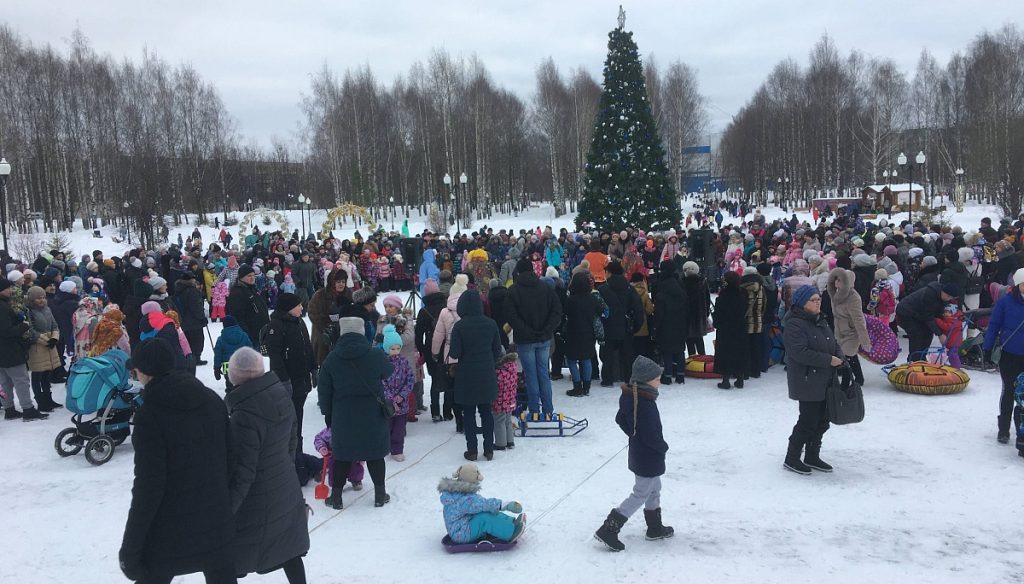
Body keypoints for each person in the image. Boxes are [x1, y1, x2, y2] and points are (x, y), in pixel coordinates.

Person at [119, 338, 236, 583]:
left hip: (169, 531)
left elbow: (148, 488)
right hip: (215, 523)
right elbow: (230, 461)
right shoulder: (212, 400)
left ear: (144, 372)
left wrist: (130, 548)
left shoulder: (149, 416)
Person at [224, 348, 309, 584]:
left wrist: (226, 510)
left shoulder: (244, 415)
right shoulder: (280, 393)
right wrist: (285, 468)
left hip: (257, 498)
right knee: (288, 547)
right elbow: (293, 440)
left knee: (231, 557)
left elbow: (244, 470)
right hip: (285, 485)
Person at [594, 356, 673, 552]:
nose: (659, 382)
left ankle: (654, 528)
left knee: (654, 489)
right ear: (646, 380)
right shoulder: (643, 402)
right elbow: (649, 434)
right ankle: (609, 529)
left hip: (643, 454)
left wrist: (633, 432)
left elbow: (621, 418)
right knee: (641, 493)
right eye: (656, 378)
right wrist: (661, 446)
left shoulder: (635, 396)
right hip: (647, 455)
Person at [318, 316, 393, 509]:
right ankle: (380, 494)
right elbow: (388, 371)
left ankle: (336, 497)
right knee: (375, 454)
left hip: (344, 416)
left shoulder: (332, 359)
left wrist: (328, 413)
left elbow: (324, 390)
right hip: (372, 414)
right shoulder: (374, 354)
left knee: (343, 455)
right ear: (361, 332)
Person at [781, 285, 845, 475]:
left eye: (819, 299)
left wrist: (839, 357)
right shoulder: (794, 324)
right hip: (807, 379)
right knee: (808, 420)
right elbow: (799, 352)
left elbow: (833, 343)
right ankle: (791, 458)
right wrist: (828, 360)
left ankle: (812, 455)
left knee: (824, 420)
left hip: (826, 378)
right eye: (813, 300)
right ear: (802, 303)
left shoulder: (820, 319)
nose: (818, 303)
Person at [449, 289, 504, 461]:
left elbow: (455, 353)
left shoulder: (459, 326)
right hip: (486, 373)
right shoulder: (491, 324)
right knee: (486, 412)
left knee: (469, 414)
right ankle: (489, 448)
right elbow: (497, 351)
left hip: (466, 375)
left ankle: (472, 450)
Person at [506, 258, 562, 419]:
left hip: (525, 339)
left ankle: (535, 411)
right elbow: (557, 311)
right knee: (543, 373)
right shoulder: (546, 287)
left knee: (531, 375)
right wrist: (547, 329)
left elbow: (511, 316)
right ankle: (548, 409)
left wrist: (527, 330)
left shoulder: (513, 290)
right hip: (543, 338)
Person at [264, 293, 315, 446]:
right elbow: (275, 355)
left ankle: (297, 452)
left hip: (302, 379)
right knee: (289, 420)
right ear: (288, 308)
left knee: (298, 416)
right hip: (288, 381)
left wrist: (313, 368)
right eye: (298, 305)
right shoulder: (276, 325)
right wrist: (284, 380)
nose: (301, 307)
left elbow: (308, 347)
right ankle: (291, 453)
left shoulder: (299, 322)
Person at [983, 268, 1024, 449]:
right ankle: (1004, 428)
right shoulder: (1006, 302)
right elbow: (994, 325)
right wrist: (987, 347)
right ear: (1018, 284)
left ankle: (1021, 433)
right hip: (1010, 354)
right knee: (1008, 391)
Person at [438, 463, 525, 544]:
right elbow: (483, 504)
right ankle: (509, 532)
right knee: (484, 518)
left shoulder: (459, 492)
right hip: (462, 533)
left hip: (464, 525)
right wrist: (504, 505)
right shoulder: (462, 499)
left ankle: (510, 522)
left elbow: (479, 504)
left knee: (486, 511)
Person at [0, 278, 48, 420]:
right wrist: (24, 325)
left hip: (3, 352)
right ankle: (28, 410)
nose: (10, 290)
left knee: (5, 381)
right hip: (10, 350)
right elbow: (6, 331)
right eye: (7, 288)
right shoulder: (2, 306)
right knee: (21, 380)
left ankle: (9, 409)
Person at [598, 261, 644, 387]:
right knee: (628, 357)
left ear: (609, 273)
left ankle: (607, 379)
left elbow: (596, 310)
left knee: (607, 356)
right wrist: (635, 327)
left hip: (607, 328)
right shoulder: (630, 289)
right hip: (626, 327)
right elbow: (639, 310)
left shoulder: (602, 289)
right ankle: (628, 379)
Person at [827, 268, 871, 385]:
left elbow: (858, 320)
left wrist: (864, 340)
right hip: (839, 331)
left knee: (846, 356)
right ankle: (859, 378)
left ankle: (845, 383)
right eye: (836, 279)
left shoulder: (853, 298)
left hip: (852, 332)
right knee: (849, 356)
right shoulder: (835, 295)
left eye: (840, 280)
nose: (836, 282)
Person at [896, 281, 960, 361]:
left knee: (928, 334)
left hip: (919, 315)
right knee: (917, 334)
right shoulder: (929, 294)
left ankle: (922, 358)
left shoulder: (943, 299)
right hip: (905, 313)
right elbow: (928, 317)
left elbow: (937, 314)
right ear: (943, 291)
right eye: (948, 296)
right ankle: (914, 360)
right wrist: (940, 334)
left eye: (951, 298)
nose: (948, 299)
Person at [25, 285, 63, 411]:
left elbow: (54, 325)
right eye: (38, 298)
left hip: (49, 345)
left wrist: (54, 338)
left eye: (43, 297)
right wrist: (46, 340)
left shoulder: (47, 309)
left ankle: (48, 399)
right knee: (38, 375)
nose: (41, 300)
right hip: (37, 346)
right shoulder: (29, 311)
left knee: (47, 373)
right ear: (32, 299)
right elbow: (30, 330)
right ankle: (40, 401)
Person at [380, 325, 415, 461]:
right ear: (386, 348)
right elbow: (380, 382)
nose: (395, 351)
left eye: (397, 348)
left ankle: (397, 450)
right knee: (386, 428)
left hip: (402, 404)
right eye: (392, 348)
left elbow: (410, 379)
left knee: (399, 430)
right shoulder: (383, 363)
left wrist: (402, 396)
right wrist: (390, 398)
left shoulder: (404, 362)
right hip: (388, 405)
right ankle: (385, 447)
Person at [564, 272, 601, 397]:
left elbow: (565, 314)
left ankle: (577, 386)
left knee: (572, 360)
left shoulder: (570, 300)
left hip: (573, 331)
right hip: (588, 331)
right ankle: (587, 386)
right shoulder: (593, 298)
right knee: (586, 359)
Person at [653, 261, 689, 384]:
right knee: (679, 349)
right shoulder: (681, 289)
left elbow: (659, 312)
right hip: (680, 322)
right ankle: (680, 374)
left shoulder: (661, 291)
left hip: (666, 324)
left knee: (667, 350)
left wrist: (655, 325)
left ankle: (667, 375)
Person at [712, 271, 748, 389]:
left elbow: (718, 316)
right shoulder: (743, 294)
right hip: (740, 327)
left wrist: (716, 323)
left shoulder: (723, 297)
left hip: (725, 329)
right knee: (739, 352)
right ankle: (740, 378)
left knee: (725, 353)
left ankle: (726, 380)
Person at [308, 269, 351, 366]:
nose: (341, 284)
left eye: (343, 282)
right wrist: (327, 324)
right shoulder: (320, 295)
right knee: (325, 363)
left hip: (343, 332)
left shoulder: (348, 293)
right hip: (323, 333)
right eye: (338, 281)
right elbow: (312, 313)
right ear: (332, 281)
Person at [226, 264, 269, 349]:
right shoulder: (237, 293)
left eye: (253, 275)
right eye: (249, 276)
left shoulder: (252, 289)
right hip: (249, 336)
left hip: (259, 334)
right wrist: (246, 334)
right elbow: (237, 316)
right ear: (241, 277)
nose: (252, 278)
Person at [174, 271, 209, 366]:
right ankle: (196, 358)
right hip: (194, 320)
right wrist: (202, 318)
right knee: (198, 340)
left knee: (187, 339)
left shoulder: (178, 289)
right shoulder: (192, 291)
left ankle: (188, 357)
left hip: (183, 319)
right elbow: (196, 306)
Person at [213, 315, 252, 393]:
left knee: (229, 381)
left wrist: (216, 368)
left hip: (227, 366)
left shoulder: (220, 339)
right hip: (242, 363)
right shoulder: (244, 335)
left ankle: (230, 391)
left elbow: (218, 356)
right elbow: (250, 349)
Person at [492, 352, 518, 450]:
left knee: (499, 421)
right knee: (508, 420)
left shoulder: (499, 371)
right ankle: (510, 441)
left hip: (500, 400)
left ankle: (500, 443)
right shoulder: (512, 368)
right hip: (510, 399)